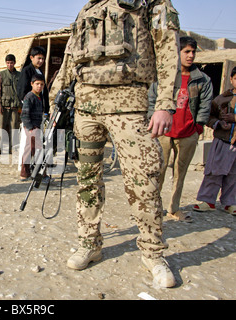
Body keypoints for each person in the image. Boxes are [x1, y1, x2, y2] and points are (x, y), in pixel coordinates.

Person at [50, 0, 181, 288]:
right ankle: (90, 243)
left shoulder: (152, 3)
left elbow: (168, 49)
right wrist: (56, 97)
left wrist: (165, 104)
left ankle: (153, 253)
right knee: (86, 180)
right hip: (86, 106)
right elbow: (71, 55)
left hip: (130, 104)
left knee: (144, 181)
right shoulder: (88, 8)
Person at [149, 36, 213, 223]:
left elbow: (205, 105)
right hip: (163, 133)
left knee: (180, 173)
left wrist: (197, 128)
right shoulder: (164, 76)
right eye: (186, 51)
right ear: (177, 53)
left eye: (193, 52)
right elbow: (152, 99)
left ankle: (174, 208)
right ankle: (154, 208)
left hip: (187, 134)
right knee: (157, 171)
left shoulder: (202, 79)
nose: (191, 55)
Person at [193, 67, 236, 216]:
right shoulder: (221, 99)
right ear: (231, 79)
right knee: (213, 171)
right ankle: (208, 200)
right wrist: (219, 124)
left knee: (233, 174)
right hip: (222, 140)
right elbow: (209, 116)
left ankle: (230, 203)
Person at [20, 74, 50, 182]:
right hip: (32, 127)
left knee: (29, 149)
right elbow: (24, 114)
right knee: (39, 150)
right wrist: (31, 128)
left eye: (42, 84)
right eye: (37, 84)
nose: (39, 86)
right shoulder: (29, 96)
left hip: (36, 126)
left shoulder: (38, 97)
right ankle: (41, 174)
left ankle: (24, 173)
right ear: (32, 84)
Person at [0, 54, 21, 154]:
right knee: (1, 127)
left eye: (11, 63)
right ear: (6, 63)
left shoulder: (19, 75)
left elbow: (21, 90)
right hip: (4, 106)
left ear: (14, 63)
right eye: (8, 63)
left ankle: (13, 148)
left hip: (15, 106)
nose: (9, 65)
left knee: (14, 127)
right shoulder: (1, 74)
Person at [17, 46, 50, 116]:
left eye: (43, 59)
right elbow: (22, 91)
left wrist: (46, 109)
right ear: (31, 57)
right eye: (39, 58)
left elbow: (44, 92)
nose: (41, 61)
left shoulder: (40, 72)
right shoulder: (27, 71)